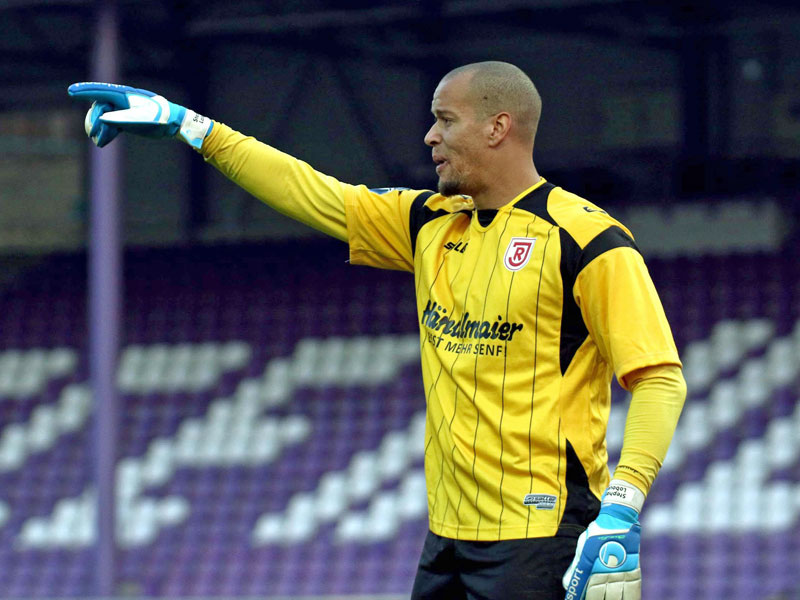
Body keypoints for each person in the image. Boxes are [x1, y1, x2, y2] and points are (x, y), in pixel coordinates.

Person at [69, 61, 686, 600]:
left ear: (498, 127)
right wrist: (191, 125)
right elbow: (310, 192)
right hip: (447, 539)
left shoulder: (588, 240)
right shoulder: (429, 224)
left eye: (445, 120)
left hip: (542, 539)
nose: (430, 136)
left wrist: (623, 507)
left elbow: (658, 376)